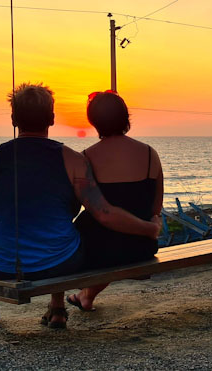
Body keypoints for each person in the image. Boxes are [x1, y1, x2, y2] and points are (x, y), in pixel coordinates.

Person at [0, 83, 160, 329]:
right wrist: (149, 227)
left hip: (2, 266)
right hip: (62, 264)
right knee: (65, 223)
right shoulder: (72, 159)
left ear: (13, 119)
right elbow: (101, 212)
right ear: (51, 118)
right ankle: (58, 308)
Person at [67, 90, 163, 312]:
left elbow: (76, 208)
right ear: (126, 117)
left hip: (98, 251)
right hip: (141, 247)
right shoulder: (150, 154)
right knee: (113, 242)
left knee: (78, 233)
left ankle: (58, 307)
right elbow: (155, 208)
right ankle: (86, 297)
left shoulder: (86, 158)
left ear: (93, 121)